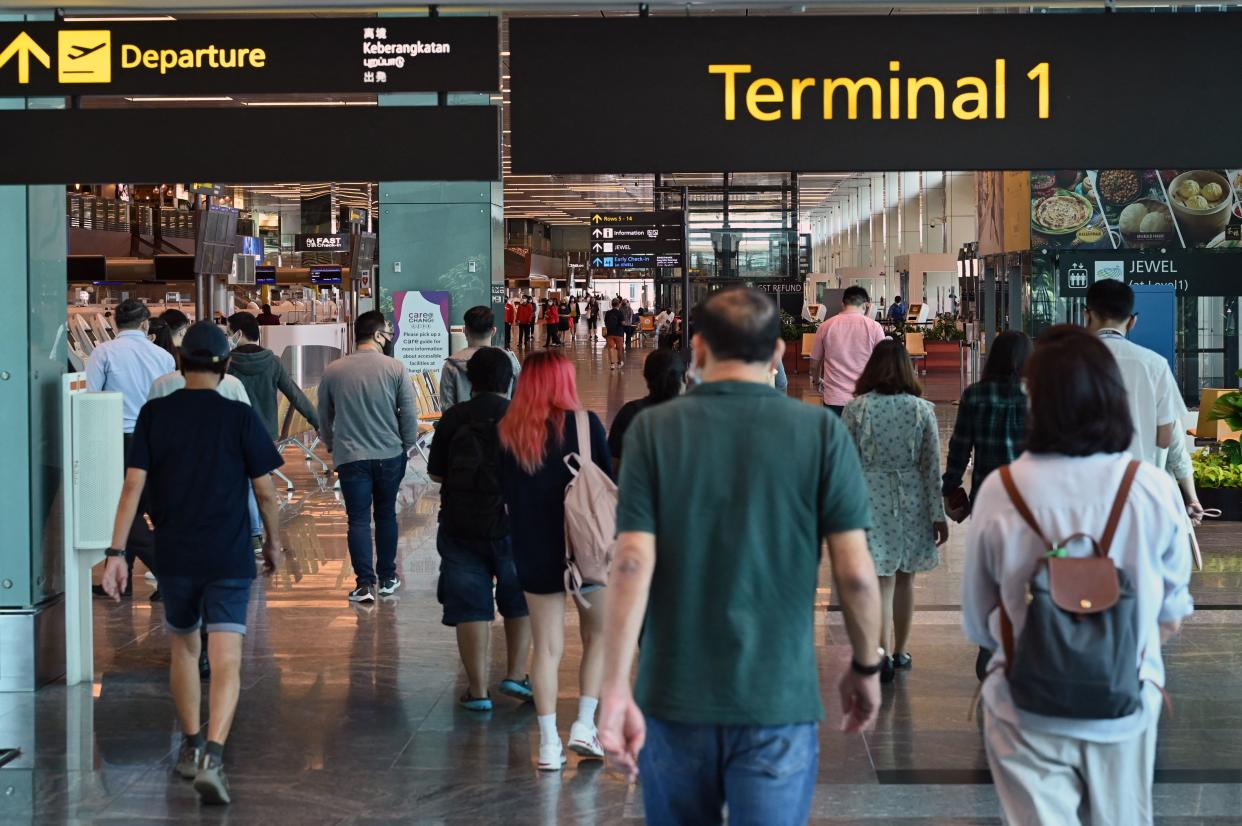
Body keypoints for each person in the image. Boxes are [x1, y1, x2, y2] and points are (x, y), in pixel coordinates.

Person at [598, 287, 884, 825]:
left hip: (674, 693)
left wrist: (614, 686)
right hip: (777, 697)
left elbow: (631, 560)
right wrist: (866, 665)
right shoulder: (820, 431)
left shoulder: (656, 429)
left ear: (698, 350)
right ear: (777, 354)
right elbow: (857, 574)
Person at [962, 325, 1193, 826]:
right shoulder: (1151, 488)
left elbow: (980, 620)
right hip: (1125, 700)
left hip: (1026, 706)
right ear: (1112, 398)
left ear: (1035, 400)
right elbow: (1172, 610)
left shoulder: (1004, 490)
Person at [101, 321, 284, 806]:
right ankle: (215, 755)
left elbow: (132, 487)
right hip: (228, 551)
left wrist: (116, 554)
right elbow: (265, 492)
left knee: (184, 649)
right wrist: (274, 545)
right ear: (226, 367)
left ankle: (190, 745)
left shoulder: (155, 414)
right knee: (226, 659)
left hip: (175, 553)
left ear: (181, 364)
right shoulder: (238, 417)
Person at [498, 351, 612, 771]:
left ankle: (548, 745)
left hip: (533, 550)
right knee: (597, 637)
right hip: (587, 550)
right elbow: (604, 485)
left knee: (546, 649)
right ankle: (584, 724)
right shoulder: (586, 425)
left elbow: (503, 494)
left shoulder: (509, 434)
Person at [427, 348, 533, 710]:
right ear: (510, 380)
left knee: (471, 604)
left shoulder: (454, 417)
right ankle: (516, 675)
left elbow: (436, 473)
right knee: (519, 599)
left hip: (461, 523)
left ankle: (478, 692)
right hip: (514, 523)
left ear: (471, 379)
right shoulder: (522, 416)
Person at [843, 339, 948, 683]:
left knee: (881, 580)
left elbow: (845, 466)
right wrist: (938, 514)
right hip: (913, 496)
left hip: (870, 497)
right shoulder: (922, 410)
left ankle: (881, 653)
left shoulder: (857, 409)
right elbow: (932, 467)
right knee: (906, 578)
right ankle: (901, 652)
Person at [317, 311, 419, 603]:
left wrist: (333, 444)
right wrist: (407, 446)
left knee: (358, 520)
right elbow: (409, 414)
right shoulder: (396, 368)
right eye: (387, 334)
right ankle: (387, 578)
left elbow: (324, 414)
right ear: (376, 335)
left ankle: (364, 584)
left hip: (351, 457)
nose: (388, 339)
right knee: (386, 514)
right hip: (389, 455)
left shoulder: (334, 370)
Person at [87, 298, 176, 599]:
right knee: (145, 507)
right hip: (157, 438)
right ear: (145, 324)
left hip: (120, 440)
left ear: (115, 324)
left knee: (124, 508)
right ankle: (123, 579)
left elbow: (91, 398)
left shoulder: (103, 353)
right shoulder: (163, 356)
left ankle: (165, 572)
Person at [1084, 279, 1183, 468]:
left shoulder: (1068, 361)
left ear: (1086, 315)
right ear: (1132, 321)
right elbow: (1164, 439)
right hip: (1137, 482)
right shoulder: (1156, 364)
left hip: (1084, 485)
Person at [942, 330, 1033, 509]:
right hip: (1031, 496)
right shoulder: (1040, 396)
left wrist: (950, 488)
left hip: (986, 495)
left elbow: (960, 449)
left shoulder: (974, 395)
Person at [226, 312, 319, 441]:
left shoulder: (226, 364)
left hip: (235, 434)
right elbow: (295, 395)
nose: (228, 338)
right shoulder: (273, 362)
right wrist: (318, 424)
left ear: (239, 334)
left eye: (229, 334)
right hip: (267, 435)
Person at [809, 286, 886, 415]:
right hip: (865, 397)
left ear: (842, 303)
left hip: (834, 398)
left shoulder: (825, 326)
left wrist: (817, 382)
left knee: (837, 435)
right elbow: (884, 363)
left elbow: (814, 364)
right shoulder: (874, 327)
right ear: (866, 305)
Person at [608, 349, 686, 474]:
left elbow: (614, 465)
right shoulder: (694, 416)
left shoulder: (630, 413)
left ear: (646, 377)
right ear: (683, 379)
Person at [439, 306, 522, 410]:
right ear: (493, 331)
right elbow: (520, 401)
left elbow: (447, 408)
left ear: (465, 331)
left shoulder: (451, 365)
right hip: (504, 424)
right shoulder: (510, 360)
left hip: (462, 424)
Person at [603, 298, 626, 370]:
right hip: (619, 333)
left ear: (611, 304)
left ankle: (612, 364)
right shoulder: (620, 312)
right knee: (619, 349)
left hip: (610, 333)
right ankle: (619, 363)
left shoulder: (608, 313)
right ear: (618, 304)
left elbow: (605, 322)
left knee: (610, 348)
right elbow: (623, 323)